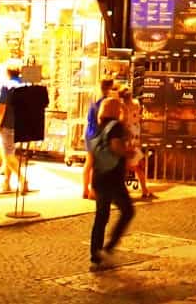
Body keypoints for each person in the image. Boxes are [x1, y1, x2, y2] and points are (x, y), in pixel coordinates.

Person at [88, 97, 135, 267]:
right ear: (115, 110)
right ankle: (108, 250)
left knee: (101, 216)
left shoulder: (99, 128)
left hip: (99, 177)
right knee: (128, 211)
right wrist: (128, 154)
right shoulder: (115, 127)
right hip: (112, 178)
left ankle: (96, 256)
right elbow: (116, 146)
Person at [0, 61, 26, 195]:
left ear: (7, 73)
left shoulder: (7, 86)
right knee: (11, 152)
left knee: (7, 156)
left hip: (8, 124)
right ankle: (6, 182)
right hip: (20, 124)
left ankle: (23, 180)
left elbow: (2, 108)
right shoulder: (25, 85)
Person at [81, 78, 115, 199]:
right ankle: (93, 192)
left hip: (89, 132)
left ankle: (85, 190)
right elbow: (102, 120)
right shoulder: (105, 101)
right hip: (97, 133)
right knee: (96, 165)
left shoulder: (93, 98)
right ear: (109, 88)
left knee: (88, 163)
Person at [117, 86, 153, 199]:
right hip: (136, 135)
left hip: (127, 136)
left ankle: (123, 191)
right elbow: (137, 118)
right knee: (138, 165)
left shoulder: (122, 106)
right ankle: (144, 189)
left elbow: (121, 120)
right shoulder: (136, 103)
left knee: (125, 165)